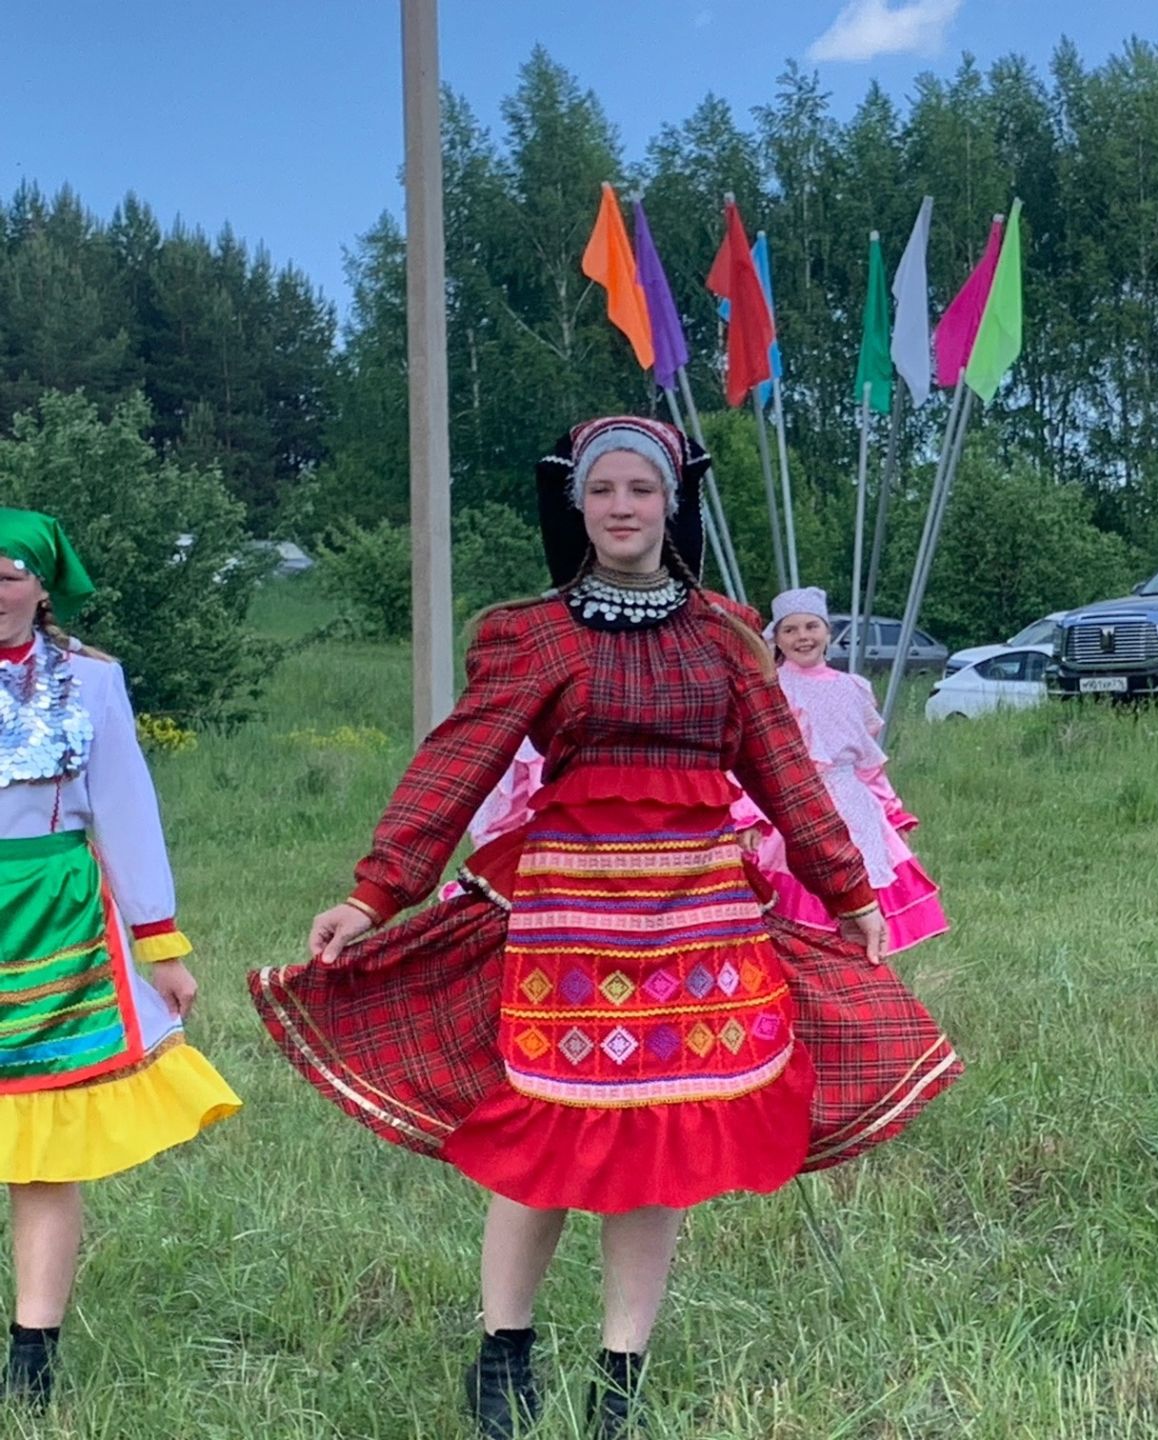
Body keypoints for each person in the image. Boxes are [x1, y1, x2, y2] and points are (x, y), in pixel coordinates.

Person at [249, 419, 960, 1439]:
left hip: (698, 913)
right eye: (604, 492)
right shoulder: (530, 632)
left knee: (664, 1143)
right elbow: (460, 763)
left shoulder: (726, 634)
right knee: (543, 1132)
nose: (623, 507)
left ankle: (620, 1377)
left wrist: (849, 889)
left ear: (671, 503)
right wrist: (374, 893)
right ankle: (505, 1355)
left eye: (641, 490)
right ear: (577, 506)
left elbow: (781, 771)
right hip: (568, 916)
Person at [0, 509, 240, 1410]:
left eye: (10, 573)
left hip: (52, 926)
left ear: (42, 585)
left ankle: (33, 1358)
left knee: (39, 1151)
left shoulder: (90, 684)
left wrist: (160, 942)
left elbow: (126, 811)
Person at [736, 587, 949, 957]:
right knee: (797, 912)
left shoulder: (852, 688)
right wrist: (749, 818)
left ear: (827, 633)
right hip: (794, 803)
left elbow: (868, 765)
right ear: (776, 639)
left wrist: (892, 814)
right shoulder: (770, 688)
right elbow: (747, 761)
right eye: (790, 630)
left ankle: (862, 976)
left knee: (861, 900)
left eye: (811, 626)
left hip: (854, 807)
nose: (802, 637)